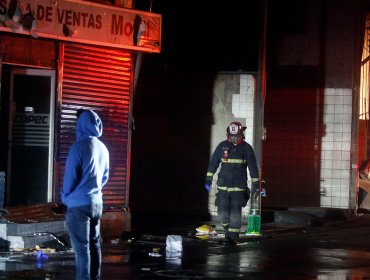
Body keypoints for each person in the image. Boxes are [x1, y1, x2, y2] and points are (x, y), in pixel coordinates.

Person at [62, 109, 109, 280]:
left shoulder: (78, 147)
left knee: (82, 248)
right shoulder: (103, 148)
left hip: (78, 205)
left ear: (80, 124)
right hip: (96, 203)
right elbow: (105, 177)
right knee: (94, 245)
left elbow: (70, 178)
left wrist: (65, 198)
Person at [204, 121, 259, 244]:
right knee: (222, 214)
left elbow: (253, 168)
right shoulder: (222, 146)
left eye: (237, 136)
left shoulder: (246, 148)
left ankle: (232, 237)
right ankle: (228, 230)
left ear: (241, 134)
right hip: (223, 188)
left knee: (235, 214)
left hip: (238, 189)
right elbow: (213, 163)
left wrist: (256, 184)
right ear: (228, 134)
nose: (234, 138)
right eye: (231, 135)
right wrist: (208, 179)